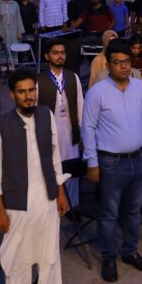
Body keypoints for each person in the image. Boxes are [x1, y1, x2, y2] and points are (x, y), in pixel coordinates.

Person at [0, 71, 74, 284]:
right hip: (17, 204)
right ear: (12, 94)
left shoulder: (45, 115)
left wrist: (60, 192)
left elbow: (55, 157)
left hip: (47, 197)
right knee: (19, 261)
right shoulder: (0, 125)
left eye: (31, 90)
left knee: (50, 256)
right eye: (22, 91)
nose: (28, 96)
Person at [81, 40, 142, 283]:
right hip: (110, 163)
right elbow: (88, 128)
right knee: (109, 213)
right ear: (108, 64)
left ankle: (130, 251)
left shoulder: (140, 88)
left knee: (133, 211)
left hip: (139, 160)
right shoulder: (97, 92)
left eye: (127, 62)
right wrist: (92, 162)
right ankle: (109, 256)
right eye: (118, 62)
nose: (124, 66)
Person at [37, 39, 84, 207]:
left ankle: (72, 205)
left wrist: (82, 135)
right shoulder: (39, 80)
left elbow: (81, 107)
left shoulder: (73, 77)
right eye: (55, 53)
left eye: (62, 53)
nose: (60, 56)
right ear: (46, 56)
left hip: (70, 133)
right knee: (51, 169)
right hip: (50, 134)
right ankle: (52, 205)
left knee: (71, 170)